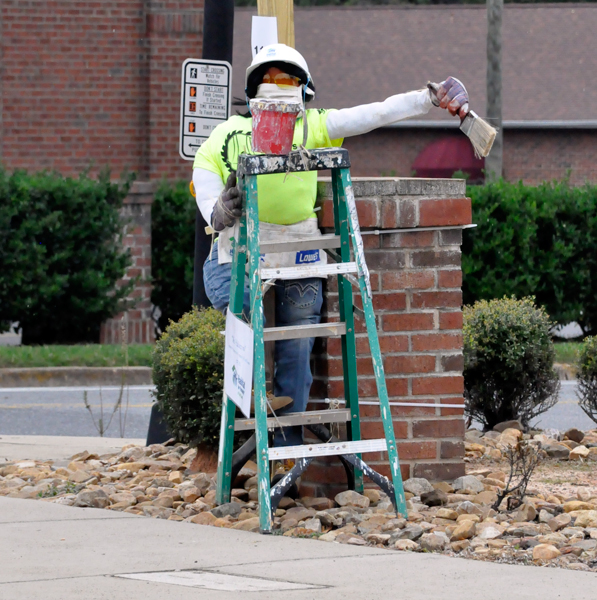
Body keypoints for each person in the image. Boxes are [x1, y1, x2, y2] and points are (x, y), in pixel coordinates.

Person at [192, 43, 469, 452]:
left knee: (298, 345)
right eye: (268, 80)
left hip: (299, 250)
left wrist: (428, 97)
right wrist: (216, 208)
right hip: (239, 252)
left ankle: (287, 453)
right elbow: (203, 170)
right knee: (246, 317)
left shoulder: (314, 126)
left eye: (285, 79)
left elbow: (375, 113)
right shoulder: (227, 134)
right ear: (253, 93)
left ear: (304, 92)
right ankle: (256, 401)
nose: (276, 88)